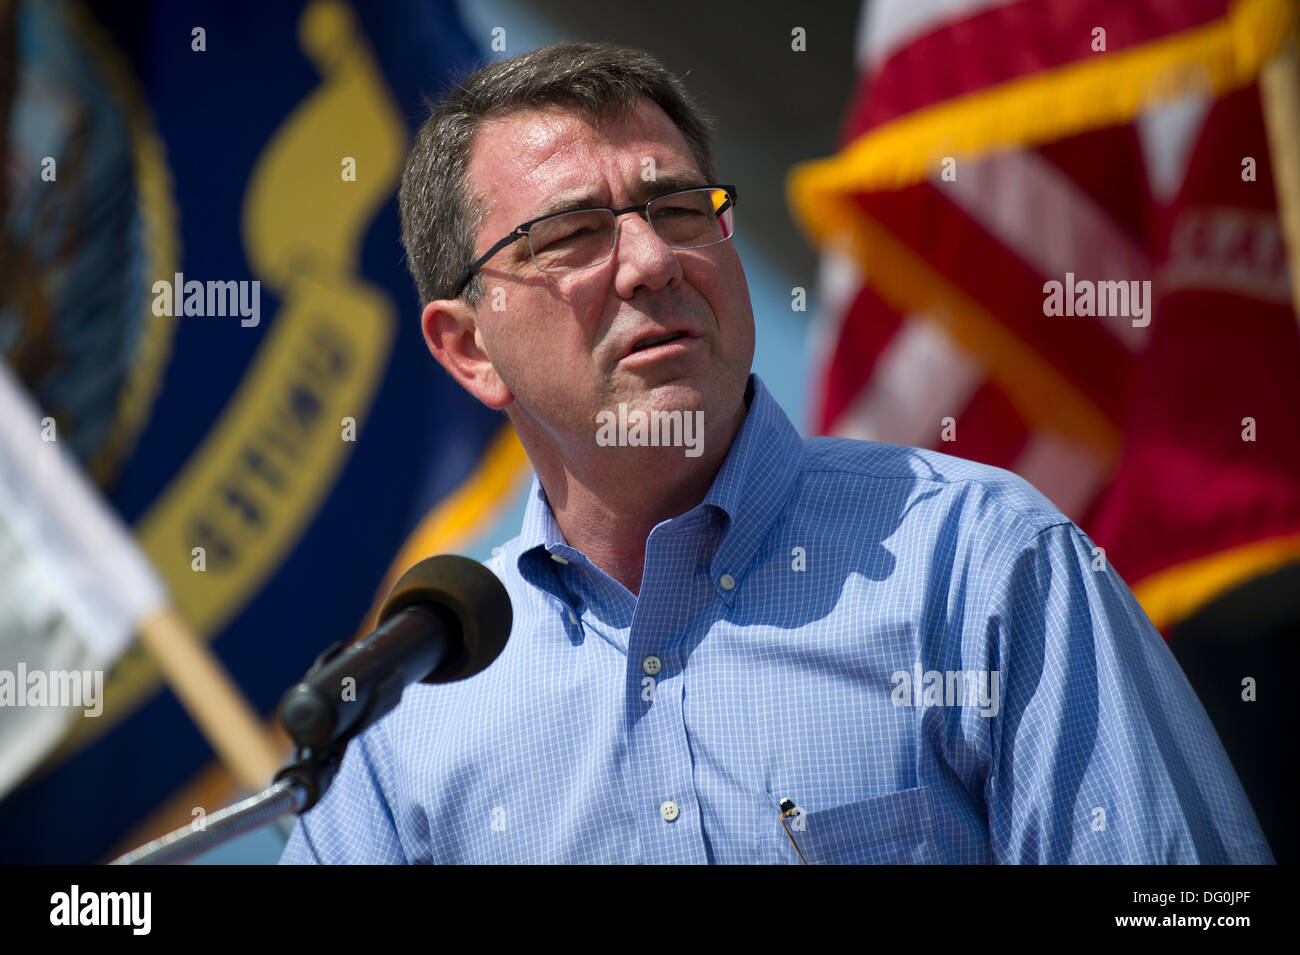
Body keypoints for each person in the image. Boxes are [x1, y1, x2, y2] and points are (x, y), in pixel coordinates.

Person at [280, 42, 1273, 864]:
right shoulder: (404, 714)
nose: (651, 259)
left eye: (677, 209)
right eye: (572, 234)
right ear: (466, 346)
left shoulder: (983, 563)